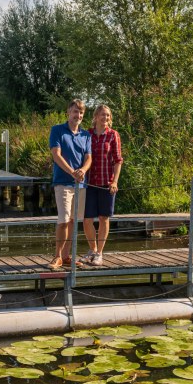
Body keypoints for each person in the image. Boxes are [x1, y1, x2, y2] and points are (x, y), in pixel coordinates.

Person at [48, 99, 92, 270]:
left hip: (80, 185)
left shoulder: (85, 135)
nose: (78, 115)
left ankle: (67, 256)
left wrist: (82, 170)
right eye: (75, 111)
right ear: (68, 112)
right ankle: (57, 256)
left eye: (81, 113)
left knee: (73, 221)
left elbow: (89, 158)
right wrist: (72, 172)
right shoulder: (57, 130)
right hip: (63, 183)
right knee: (63, 220)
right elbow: (56, 155)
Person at [81, 104, 123, 266]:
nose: (105, 118)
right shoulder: (87, 134)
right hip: (90, 183)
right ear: (96, 116)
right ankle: (92, 249)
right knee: (86, 219)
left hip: (107, 184)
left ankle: (99, 253)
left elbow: (118, 160)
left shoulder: (113, 135)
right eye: (102, 115)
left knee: (104, 218)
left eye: (108, 115)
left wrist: (115, 181)